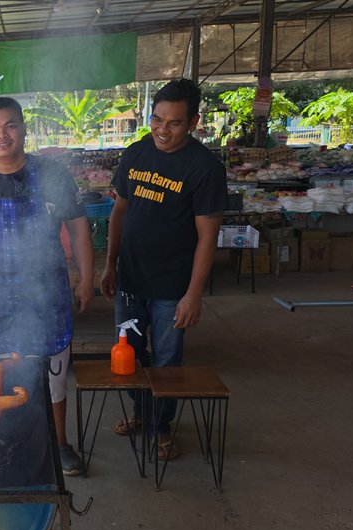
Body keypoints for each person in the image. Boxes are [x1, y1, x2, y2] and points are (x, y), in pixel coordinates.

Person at [0, 96, 94, 476]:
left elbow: (79, 229)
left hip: (47, 296)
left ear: (24, 129)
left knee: (54, 379)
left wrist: (86, 279)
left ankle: (59, 444)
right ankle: (3, 446)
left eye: (10, 126)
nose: (2, 135)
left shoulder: (52, 176)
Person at [101, 78, 226, 461]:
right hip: (130, 279)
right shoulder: (136, 153)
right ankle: (142, 413)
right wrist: (110, 264)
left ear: (193, 122)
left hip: (173, 286)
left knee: (167, 361)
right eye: (157, 119)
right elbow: (120, 212)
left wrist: (194, 294)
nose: (163, 130)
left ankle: (162, 426)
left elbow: (208, 237)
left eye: (174, 123)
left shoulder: (204, 167)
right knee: (130, 354)